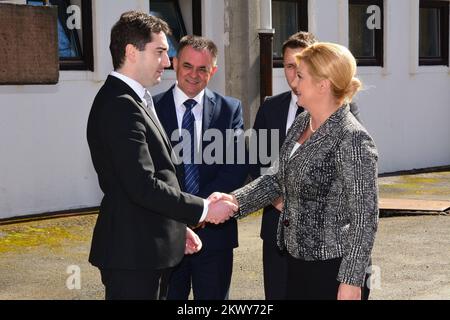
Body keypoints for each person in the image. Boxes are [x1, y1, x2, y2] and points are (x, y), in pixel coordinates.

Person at [86, 11, 236, 300]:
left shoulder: (134, 100)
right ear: (131, 52)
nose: (167, 63)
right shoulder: (121, 105)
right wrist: (203, 209)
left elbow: (155, 179)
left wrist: (176, 229)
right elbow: (142, 185)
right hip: (133, 256)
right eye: (160, 52)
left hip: (147, 248)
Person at [215, 42, 379, 300]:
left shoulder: (352, 138)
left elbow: (365, 218)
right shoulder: (303, 121)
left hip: (332, 269)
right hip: (296, 261)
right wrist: (234, 201)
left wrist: (351, 280)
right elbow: (277, 179)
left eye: (301, 76)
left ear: (323, 85)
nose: (294, 83)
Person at [250, 31, 363, 300]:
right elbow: (261, 163)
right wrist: (269, 198)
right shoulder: (276, 110)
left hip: (326, 246)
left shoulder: (347, 123)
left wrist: (352, 279)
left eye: (300, 69)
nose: (293, 75)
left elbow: (363, 216)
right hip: (278, 229)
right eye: (289, 67)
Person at [154, 35, 248, 300]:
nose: (194, 75)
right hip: (167, 232)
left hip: (215, 235)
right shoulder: (151, 109)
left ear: (213, 71)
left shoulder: (230, 110)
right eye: (187, 66)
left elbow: (236, 166)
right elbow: (150, 172)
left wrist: (203, 210)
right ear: (174, 63)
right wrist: (185, 211)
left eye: (202, 69)